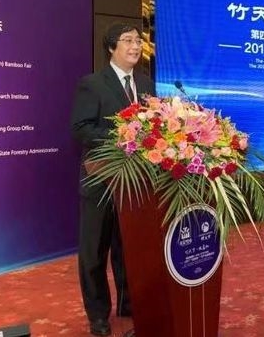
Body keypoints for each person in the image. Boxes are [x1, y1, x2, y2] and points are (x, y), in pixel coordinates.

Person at [70, 23, 155, 336]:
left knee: (129, 247)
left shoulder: (145, 83)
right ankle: (98, 315)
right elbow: (81, 129)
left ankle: (129, 303)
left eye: (138, 41)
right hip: (101, 182)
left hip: (135, 183)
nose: (135, 46)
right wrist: (124, 136)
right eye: (127, 40)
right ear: (111, 47)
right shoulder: (92, 84)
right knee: (94, 253)